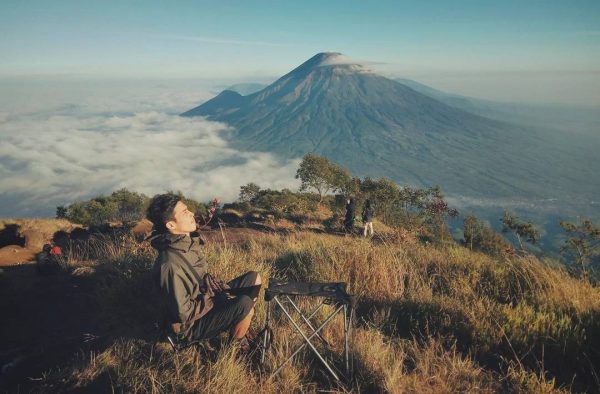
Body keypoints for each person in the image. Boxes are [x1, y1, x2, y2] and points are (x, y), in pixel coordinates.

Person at [147, 193, 261, 352]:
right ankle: (234, 349)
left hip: (205, 303)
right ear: (171, 225)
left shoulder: (187, 246)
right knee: (244, 304)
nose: (192, 214)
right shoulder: (169, 265)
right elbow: (183, 314)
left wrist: (216, 292)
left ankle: (239, 323)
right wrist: (214, 298)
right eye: (184, 212)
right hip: (188, 328)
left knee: (253, 278)